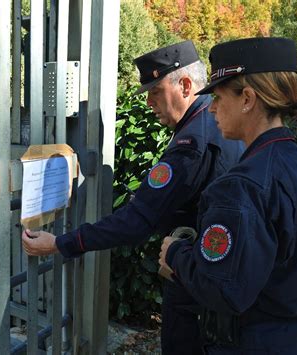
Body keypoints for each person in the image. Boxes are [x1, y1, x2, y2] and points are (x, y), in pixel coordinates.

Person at [23, 40, 243, 354]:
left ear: (183, 85)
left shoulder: (191, 144)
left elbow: (138, 219)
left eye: (155, 91)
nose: (149, 102)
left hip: (196, 291)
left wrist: (60, 243)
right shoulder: (218, 125)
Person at [159, 37, 297, 354]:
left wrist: (176, 254)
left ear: (248, 99)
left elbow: (224, 290)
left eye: (219, 97)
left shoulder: (240, 185)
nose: (212, 108)